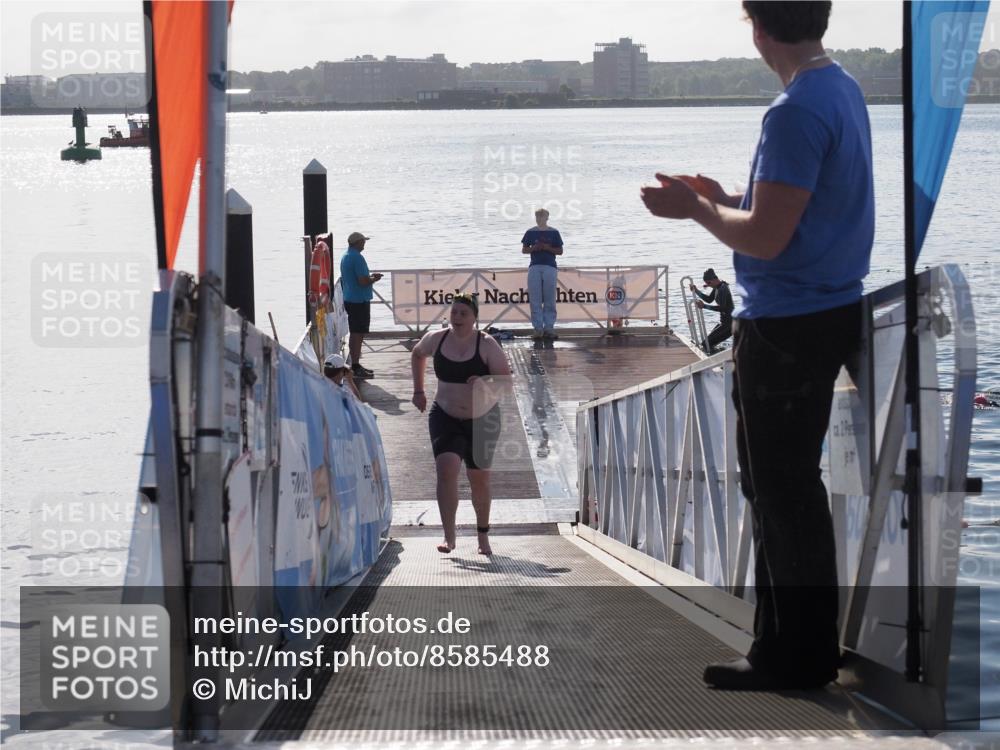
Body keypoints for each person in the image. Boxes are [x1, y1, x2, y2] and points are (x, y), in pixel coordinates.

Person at [640, 1, 873, 691]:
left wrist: (698, 210)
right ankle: (792, 646)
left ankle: (793, 656)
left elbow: (766, 239)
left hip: (786, 323)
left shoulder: (793, 110)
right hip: (828, 307)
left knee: (779, 490)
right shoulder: (842, 88)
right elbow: (800, 210)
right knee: (788, 488)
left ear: (758, 28)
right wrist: (730, 195)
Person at [410, 293, 512, 555]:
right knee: (446, 470)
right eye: (454, 313)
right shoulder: (437, 338)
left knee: (478, 479)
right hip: (445, 414)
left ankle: (483, 537)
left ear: (475, 317)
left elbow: (506, 383)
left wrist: (484, 382)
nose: (457, 318)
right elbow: (417, 353)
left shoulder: (487, 344)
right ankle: (449, 537)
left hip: (483, 419)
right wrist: (419, 390)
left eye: (463, 314)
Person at [339, 232, 383, 380]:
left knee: (355, 332)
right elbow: (363, 281)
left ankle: (355, 363)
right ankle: (355, 365)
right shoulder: (357, 257)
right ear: (357, 242)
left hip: (350, 298)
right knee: (358, 333)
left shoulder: (345, 256)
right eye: (363, 241)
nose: (364, 244)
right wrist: (374, 278)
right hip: (358, 300)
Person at [521, 208, 564, 340]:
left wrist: (547, 248)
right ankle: (538, 329)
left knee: (550, 298)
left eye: (541, 217)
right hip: (535, 266)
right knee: (535, 299)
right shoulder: (530, 232)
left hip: (550, 266)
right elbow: (524, 250)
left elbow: (560, 251)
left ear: (547, 218)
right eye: (537, 217)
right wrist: (534, 248)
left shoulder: (554, 232)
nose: (539, 219)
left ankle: (549, 328)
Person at [690, 268, 734, 352]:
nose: (708, 285)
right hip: (724, 323)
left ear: (714, 279)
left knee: (706, 345)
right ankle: (717, 357)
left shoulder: (723, 289)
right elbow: (709, 299)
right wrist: (696, 291)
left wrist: (704, 306)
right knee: (707, 343)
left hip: (730, 325)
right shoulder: (717, 287)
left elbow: (722, 308)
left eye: (709, 283)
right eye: (706, 284)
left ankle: (716, 362)